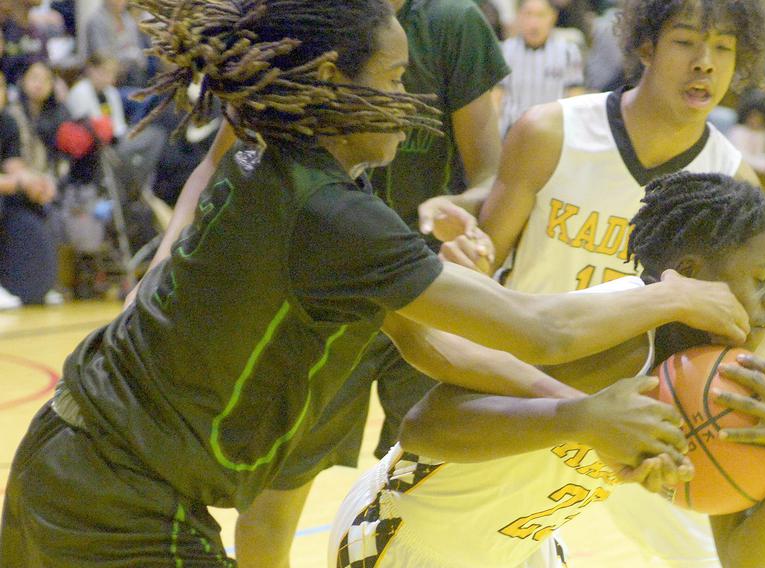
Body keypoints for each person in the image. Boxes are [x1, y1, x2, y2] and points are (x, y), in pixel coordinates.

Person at [0, 1, 750, 565]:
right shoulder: (329, 212)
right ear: (333, 81)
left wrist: (585, 416)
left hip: (77, 462)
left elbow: (436, 352)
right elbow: (539, 329)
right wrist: (674, 295)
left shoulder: (282, 166)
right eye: (395, 79)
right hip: (115, 495)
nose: (414, 102)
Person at [127, 0, 511, 564]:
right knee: (270, 511)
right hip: (321, 299)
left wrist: (452, 206)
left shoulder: (452, 23)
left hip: (429, 290)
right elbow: (215, 162)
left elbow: (491, 176)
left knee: (435, 496)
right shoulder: (314, 23)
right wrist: (162, 259)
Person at [331, 172, 765, 568]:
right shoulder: (625, 338)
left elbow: (743, 558)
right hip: (408, 540)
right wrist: (583, 419)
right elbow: (424, 428)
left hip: (520, 550)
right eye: (762, 278)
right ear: (694, 274)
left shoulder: (719, 374)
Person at [468, 0, 765, 565]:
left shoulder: (731, 177)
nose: (705, 64)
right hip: (530, 391)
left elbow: (752, 322)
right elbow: (480, 266)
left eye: (723, 50)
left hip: (653, 404)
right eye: (687, 42)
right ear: (646, 47)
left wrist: (762, 398)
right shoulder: (551, 132)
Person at [0, 70, 58, 307]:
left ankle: (34, 284)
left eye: (1, 87)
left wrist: (34, 182)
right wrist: (15, 184)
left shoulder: (7, 123)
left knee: (33, 206)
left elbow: (14, 166)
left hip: (5, 194)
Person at [495, 0, 586, 137]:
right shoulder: (504, 51)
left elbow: (576, 99)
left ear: (552, 17)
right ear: (518, 16)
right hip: (512, 133)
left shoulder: (568, 52)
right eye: (528, 14)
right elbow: (495, 99)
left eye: (540, 15)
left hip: (554, 133)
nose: (534, 22)